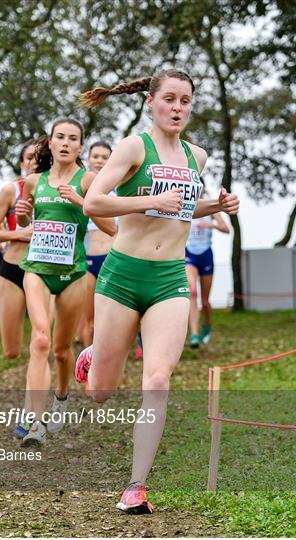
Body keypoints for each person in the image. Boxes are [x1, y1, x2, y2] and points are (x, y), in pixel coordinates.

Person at [74, 68, 239, 514]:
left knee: (158, 379)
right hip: (122, 277)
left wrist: (216, 205)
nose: (177, 108)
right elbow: (95, 203)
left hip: (169, 279)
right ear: (151, 101)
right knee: (102, 392)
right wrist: (147, 200)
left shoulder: (196, 156)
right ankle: (94, 353)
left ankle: (135, 486)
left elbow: (183, 208)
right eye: (169, 99)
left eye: (185, 101)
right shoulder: (133, 147)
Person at [15, 118, 116, 445]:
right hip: (37, 269)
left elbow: (112, 227)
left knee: (60, 350)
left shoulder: (87, 180)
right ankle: (36, 423)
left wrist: (79, 200)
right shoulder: (33, 182)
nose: (65, 143)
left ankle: (60, 397)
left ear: (80, 146)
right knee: (40, 340)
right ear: (51, 141)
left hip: (72, 272)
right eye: (60, 137)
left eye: (73, 138)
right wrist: (19, 214)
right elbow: (24, 218)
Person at [0, 138, 38, 359]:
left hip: (45, 268)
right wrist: (18, 234)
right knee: (11, 351)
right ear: (21, 163)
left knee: (44, 343)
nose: (35, 162)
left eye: (40, 157)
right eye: (29, 158)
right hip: (12, 268)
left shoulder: (59, 189)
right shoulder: (10, 190)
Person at [78, 141, 114, 346]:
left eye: (105, 157)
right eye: (96, 156)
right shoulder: (80, 189)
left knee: (113, 317)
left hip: (113, 258)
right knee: (88, 319)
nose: (100, 161)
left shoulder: (118, 188)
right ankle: (87, 369)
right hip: (87, 259)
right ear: (88, 159)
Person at [185, 180, 229, 347]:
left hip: (205, 255)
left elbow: (226, 228)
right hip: (189, 254)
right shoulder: (186, 204)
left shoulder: (211, 206)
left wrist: (210, 223)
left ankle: (206, 325)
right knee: (192, 293)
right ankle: (194, 334)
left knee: (205, 301)